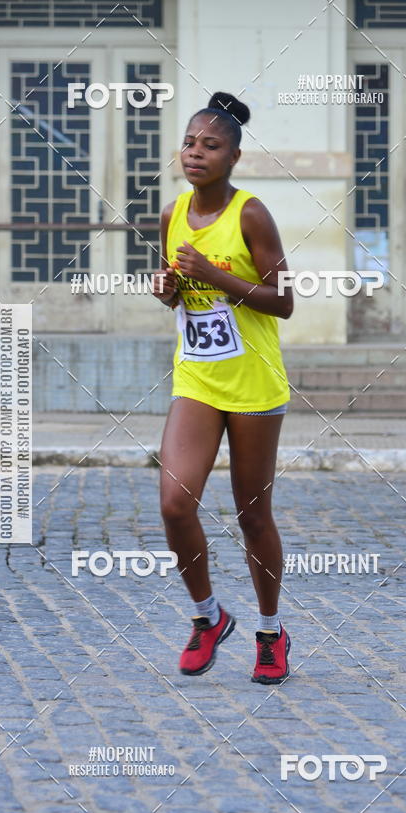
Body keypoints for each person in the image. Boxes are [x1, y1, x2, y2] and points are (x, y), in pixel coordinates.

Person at [152, 91, 293, 685]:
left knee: (252, 515)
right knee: (174, 502)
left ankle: (270, 631)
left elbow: (283, 301)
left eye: (211, 145)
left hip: (254, 382)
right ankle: (208, 617)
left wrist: (215, 275)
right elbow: (182, 295)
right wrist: (171, 289)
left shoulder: (252, 214)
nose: (196, 152)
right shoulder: (172, 214)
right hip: (198, 375)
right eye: (189, 142)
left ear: (234, 156)